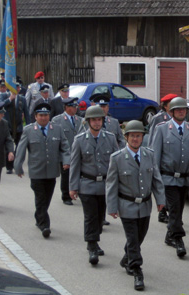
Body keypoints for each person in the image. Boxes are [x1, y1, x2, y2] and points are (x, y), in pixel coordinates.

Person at [106, 120, 165, 291]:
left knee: (139, 237)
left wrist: (160, 200)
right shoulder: (117, 158)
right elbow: (111, 184)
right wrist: (112, 207)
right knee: (133, 238)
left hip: (145, 205)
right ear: (126, 137)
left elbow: (156, 179)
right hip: (126, 205)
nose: (135, 139)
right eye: (132, 136)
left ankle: (127, 257)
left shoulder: (149, 155)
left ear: (142, 137)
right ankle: (137, 270)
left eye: (138, 136)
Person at [70, 105, 118, 265]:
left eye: (99, 119)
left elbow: (116, 163)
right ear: (88, 121)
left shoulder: (110, 138)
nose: (97, 123)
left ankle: (95, 240)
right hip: (87, 184)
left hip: (105, 185)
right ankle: (91, 246)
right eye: (94, 120)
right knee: (90, 216)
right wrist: (73, 187)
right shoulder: (80, 140)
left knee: (99, 217)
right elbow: (75, 165)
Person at [14, 102, 70, 238]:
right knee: (40, 197)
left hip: (52, 171)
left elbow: (65, 147)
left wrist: (66, 161)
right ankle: (44, 225)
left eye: (46, 115)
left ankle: (39, 216)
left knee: (47, 198)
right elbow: (21, 149)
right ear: (35, 116)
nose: (44, 118)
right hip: (36, 171)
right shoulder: (28, 130)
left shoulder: (57, 129)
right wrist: (18, 166)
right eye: (41, 115)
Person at [151, 97, 189, 258]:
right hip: (168, 178)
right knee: (175, 208)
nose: (181, 112)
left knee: (177, 210)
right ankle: (178, 239)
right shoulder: (162, 129)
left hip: (185, 178)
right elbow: (155, 156)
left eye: (183, 109)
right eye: (177, 110)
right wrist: (156, 181)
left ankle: (169, 235)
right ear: (171, 112)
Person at [147, 93, 177, 224]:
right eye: (171, 103)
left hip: (173, 157)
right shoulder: (158, 118)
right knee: (162, 186)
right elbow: (152, 137)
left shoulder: (178, 118)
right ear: (165, 106)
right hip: (161, 154)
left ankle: (169, 212)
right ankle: (163, 212)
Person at [51, 97, 83, 205]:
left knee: (78, 173)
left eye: (76, 106)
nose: (75, 109)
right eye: (73, 107)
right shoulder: (57, 120)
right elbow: (55, 137)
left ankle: (76, 191)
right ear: (66, 107)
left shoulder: (80, 120)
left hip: (78, 152)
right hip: (65, 152)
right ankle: (65, 196)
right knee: (66, 175)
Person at [2, 83, 30, 174]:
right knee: (8, 147)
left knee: (19, 146)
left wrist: (29, 125)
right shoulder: (4, 96)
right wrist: (10, 99)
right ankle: (9, 167)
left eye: (18, 87)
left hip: (18, 126)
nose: (17, 89)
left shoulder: (22, 99)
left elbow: (26, 112)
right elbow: (1, 105)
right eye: (15, 87)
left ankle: (16, 164)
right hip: (7, 126)